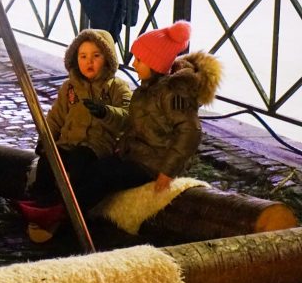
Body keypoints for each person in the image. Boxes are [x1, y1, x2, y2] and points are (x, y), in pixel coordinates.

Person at [75, 21, 222, 214]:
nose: (133, 63)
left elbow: (190, 132)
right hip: (136, 156)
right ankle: (61, 207)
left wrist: (167, 173)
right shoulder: (147, 88)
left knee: (104, 176)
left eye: (139, 59)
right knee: (94, 168)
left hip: (153, 164)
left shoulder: (171, 93)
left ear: (154, 64)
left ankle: (66, 213)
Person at [20, 29, 131, 237]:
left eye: (96, 56)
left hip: (96, 146)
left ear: (107, 58)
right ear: (75, 59)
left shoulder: (117, 88)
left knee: (80, 163)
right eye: (83, 56)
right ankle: (40, 203)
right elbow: (56, 117)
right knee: (48, 161)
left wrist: (105, 112)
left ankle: (66, 209)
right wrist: (46, 139)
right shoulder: (70, 88)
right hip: (68, 141)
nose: (89, 61)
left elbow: (127, 116)